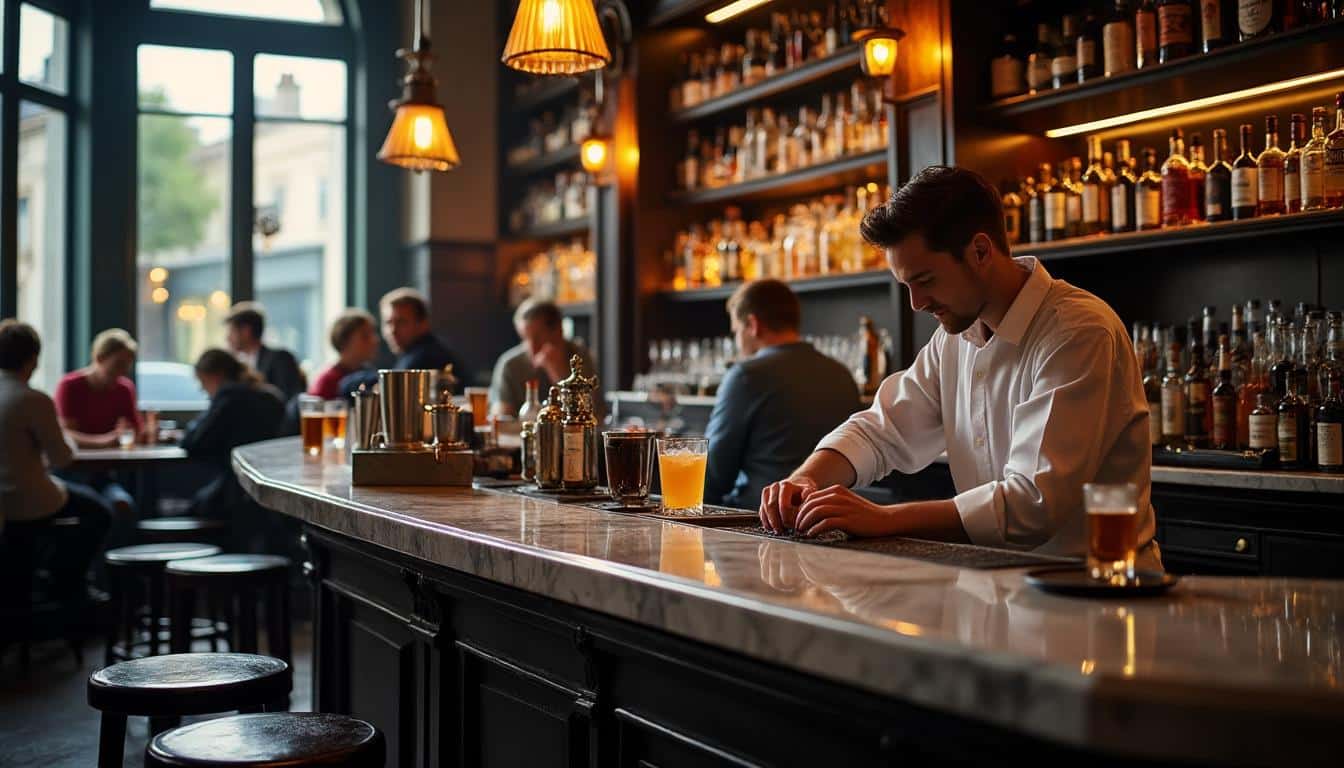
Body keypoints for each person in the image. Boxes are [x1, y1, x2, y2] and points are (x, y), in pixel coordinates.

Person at [758, 166, 1159, 568]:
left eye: (926, 280)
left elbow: (1032, 504)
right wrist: (805, 479)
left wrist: (883, 519)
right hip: (994, 583)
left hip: (1094, 587)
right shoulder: (954, 339)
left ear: (980, 251)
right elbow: (882, 431)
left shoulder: (1076, 331)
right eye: (907, 286)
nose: (916, 303)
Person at [704, 280, 860, 510]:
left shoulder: (746, 376)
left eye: (736, 331)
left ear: (753, 325)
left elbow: (713, 475)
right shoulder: (841, 373)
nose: (737, 341)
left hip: (761, 517)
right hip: (829, 516)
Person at [0, 320, 111, 599]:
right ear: (33, 359)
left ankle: (44, 583)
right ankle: (66, 583)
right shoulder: (33, 399)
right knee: (99, 512)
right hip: (29, 500)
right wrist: (67, 439)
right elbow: (61, 459)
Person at [181, 348, 285, 519]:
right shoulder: (270, 395)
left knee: (190, 509)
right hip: (269, 492)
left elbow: (193, 443)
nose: (202, 389)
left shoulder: (228, 398)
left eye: (202, 382)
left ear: (214, 376)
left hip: (235, 493)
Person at [338, 287, 470, 396]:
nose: (393, 330)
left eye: (401, 322)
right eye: (388, 323)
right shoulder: (419, 352)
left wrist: (348, 383)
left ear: (423, 323)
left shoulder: (425, 356)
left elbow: (395, 387)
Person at [489, 299, 597, 416]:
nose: (532, 348)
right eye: (525, 338)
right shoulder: (510, 364)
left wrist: (557, 372)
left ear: (558, 331)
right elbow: (501, 416)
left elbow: (595, 413)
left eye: (538, 337)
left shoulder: (578, 357)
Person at [54, 328, 144, 448]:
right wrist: (105, 441)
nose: (123, 371)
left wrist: (129, 431)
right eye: (119, 364)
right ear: (99, 358)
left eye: (127, 366)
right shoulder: (69, 386)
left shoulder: (125, 388)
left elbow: (135, 431)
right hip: (78, 458)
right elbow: (65, 434)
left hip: (115, 458)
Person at [225, 301, 304, 401]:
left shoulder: (280, 359)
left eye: (231, 331)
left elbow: (289, 400)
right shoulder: (238, 364)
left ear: (246, 331)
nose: (227, 338)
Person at [309, 309, 379, 400]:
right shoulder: (327, 382)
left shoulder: (371, 376)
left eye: (373, 334)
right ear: (344, 341)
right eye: (365, 336)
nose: (374, 340)